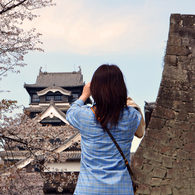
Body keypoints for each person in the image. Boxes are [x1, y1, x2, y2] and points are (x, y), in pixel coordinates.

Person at [66, 64, 145, 195]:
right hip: (121, 190)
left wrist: (84, 95)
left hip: (88, 189)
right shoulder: (132, 116)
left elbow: (70, 113)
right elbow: (139, 125)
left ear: (95, 89)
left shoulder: (84, 115)